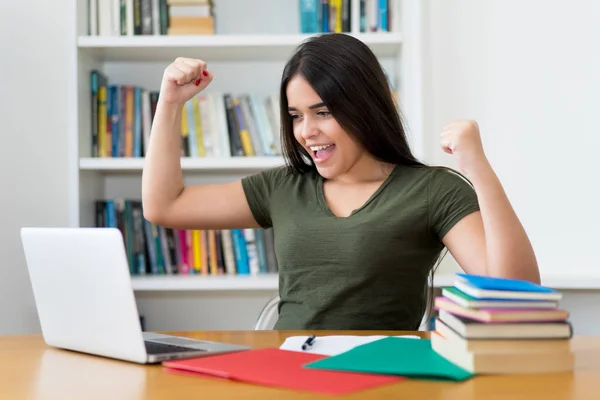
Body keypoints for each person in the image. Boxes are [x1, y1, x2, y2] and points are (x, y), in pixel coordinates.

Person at [142, 33, 540, 331]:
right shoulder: (283, 188)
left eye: (323, 112)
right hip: (285, 376)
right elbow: (165, 206)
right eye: (296, 115)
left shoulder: (433, 191)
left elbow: (513, 292)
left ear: (366, 107)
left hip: (383, 381)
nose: (306, 131)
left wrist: (478, 166)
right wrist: (171, 103)